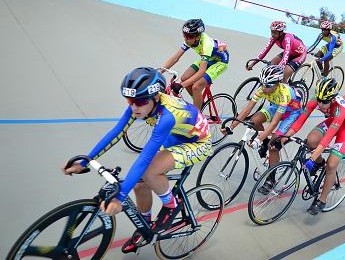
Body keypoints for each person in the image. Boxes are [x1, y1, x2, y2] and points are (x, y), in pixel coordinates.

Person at [62, 67, 212, 254]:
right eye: (130, 101)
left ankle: (171, 204)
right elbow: (116, 133)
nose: (134, 108)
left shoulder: (167, 116)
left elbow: (144, 158)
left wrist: (120, 196)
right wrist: (85, 161)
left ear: (156, 97)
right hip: (176, 135)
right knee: (140, 186)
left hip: (198, 141)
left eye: (140, 102)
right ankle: (145, 225)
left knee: (149, 171)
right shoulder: (140, 106)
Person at [223, 65, 303, 194]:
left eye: (268, 86)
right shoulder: (262, 89)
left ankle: (271, 179)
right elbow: (246, 110)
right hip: (276, 108)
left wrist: (259, 139)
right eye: (263, 85)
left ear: (277, 84)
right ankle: (264, 143)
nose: (264, 89)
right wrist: (231, 126)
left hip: (291, 114)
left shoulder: (284, 94)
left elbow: (274, 123)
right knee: (254, 120)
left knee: (273, 145)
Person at [282, 78, 345, 215]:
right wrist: (284, 138)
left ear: (333, 99)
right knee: (311, 141)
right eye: (319, 100)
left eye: (325, 102)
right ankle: (319, 164)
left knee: (332, 165)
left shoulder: (340, 107)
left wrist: (314, 156)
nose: (321, 105)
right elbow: (300, 121)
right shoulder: (315, 99)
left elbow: (329, 136)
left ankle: (321, 201)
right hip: (332, 121)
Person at [161, 18, 229, 109]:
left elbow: (201, 72)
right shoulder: (189, 40)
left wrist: (181, 85)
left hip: (220, 61)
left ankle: (197, 117)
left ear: (198, 37)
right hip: (208, 58)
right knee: (184, 78)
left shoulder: (206, 44)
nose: (185, 38)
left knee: (196, 87)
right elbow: (175, 57)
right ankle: (199, 102)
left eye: (188, 37)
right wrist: (159, 72)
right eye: (184, 35)